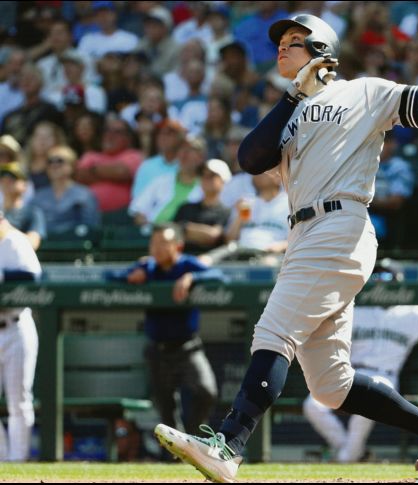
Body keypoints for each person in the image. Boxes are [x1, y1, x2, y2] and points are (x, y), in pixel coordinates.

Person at [154, 12, 418, 484]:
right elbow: (249, 158)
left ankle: (229, 444)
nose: (282, 47)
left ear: (322, 51)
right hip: (305, 233)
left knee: (273, 333)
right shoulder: (289, 110)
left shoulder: (365, 92)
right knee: (331, 385)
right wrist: (293, 95)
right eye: (281, 41)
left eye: (295, 40)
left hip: (338, 224)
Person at [303, 265, 418, 463]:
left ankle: (346, 457)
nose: (381, 283)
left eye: (387, 278)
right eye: (377, 277)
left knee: (369, 403)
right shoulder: (357, 309)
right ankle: (351, 452)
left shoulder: (413, 312)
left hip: (384, 376)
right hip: (349, 372)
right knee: (313, 406)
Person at [105, 223, 224, 435]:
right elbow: (109, 275)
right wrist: (130, 276)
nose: (157, 248)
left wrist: (192, 277)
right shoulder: (148, 267)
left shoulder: (187, 264)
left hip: (187, 347)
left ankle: (191, 437)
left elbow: (219, 275)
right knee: (166, 411)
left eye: (163, 243)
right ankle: (175, 450)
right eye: (153, 243)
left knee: (206, 391)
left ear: (178, 246)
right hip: (158, 351)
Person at [0, 209, 42, 461]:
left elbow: (33, 276)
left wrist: (2, 276)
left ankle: (18, 461)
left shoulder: (15, 241)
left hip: (16, 325)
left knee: (19, 401)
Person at [129, 135, 206, 226]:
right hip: (153, 231)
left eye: (190, 150)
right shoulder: (161, 180)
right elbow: (138, 208)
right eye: (181, 149)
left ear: (201, 157)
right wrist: (146, 224)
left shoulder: (207, 185)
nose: (184, 154)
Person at [31, 145, 100, 236]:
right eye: (50, 161)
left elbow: (90, 227)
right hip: (45, 243)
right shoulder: (38, 196)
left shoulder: (85, 195)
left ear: (72, 166)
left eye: (60, 161)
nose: (54, 165)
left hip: (75, 242)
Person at [174, 158, 232, 255]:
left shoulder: (226, 212)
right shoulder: (185, 207)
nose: (206, 179)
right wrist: (203, 233)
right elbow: (175, 232)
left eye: (212, 176)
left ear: (223, 181)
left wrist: (186, 228)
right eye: (203, 175)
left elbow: (214, 236)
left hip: (212, 261)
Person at [225, 171, 289, 255]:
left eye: (265, 172)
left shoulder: (289, 203)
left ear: (278, 177)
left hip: (273, 256)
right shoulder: (246, 203)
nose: (259, 175)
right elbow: (230, 239)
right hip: (240, 254)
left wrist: (281, 247)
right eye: (258, 172)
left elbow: (299, 239)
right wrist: (239, 217)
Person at [0, 162, 45, 250]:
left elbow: (33, 244)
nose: (6, 181)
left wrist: (7, 228)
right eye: (2, 178)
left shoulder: (32, 212)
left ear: (25, 185)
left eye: (13, 178)